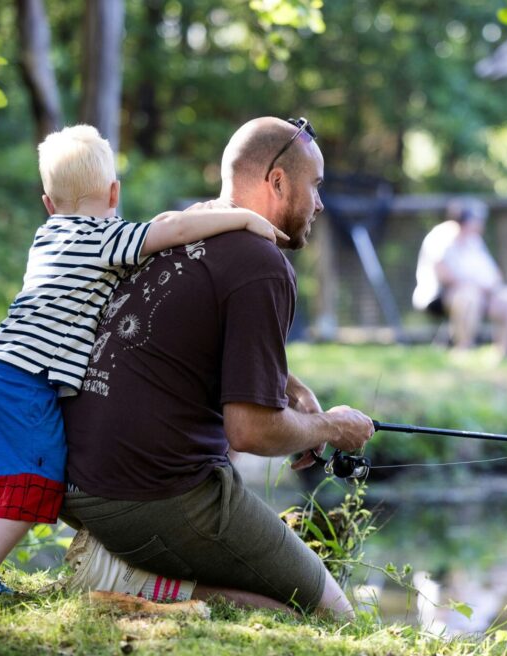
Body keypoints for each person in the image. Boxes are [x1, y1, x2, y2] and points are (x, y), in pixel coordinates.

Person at [0, 124, 286, 598]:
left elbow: (163, 228)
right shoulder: (106, 238)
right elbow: (172, 231)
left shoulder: (48, 236)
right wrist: (242, 219)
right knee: (34, 479)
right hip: (27, 380)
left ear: (48, 202)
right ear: (114, 193)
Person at [59, 116, 375, 619]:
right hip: (149, 496)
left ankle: (137, 569)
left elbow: (188, 341)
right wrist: (332, 426)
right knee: (334, 616)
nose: (319, 204)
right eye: (315, 186)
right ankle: (129, 577)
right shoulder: (261, 264)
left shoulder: (181, 228)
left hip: (78, 482)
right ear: (277, 181)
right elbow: (250, 430)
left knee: (283, 603)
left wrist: (288, 386)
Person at [412, 198, 507, 358]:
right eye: (477, 220)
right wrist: (477, 287)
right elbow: (444, 274)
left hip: (482, 294)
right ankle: (464, 349)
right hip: (441, 296)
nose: (480, 225)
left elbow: (493, 273)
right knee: (469, 296)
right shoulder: (440, 236)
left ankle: (504, 352)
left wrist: (491, 286)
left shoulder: (474, 241)